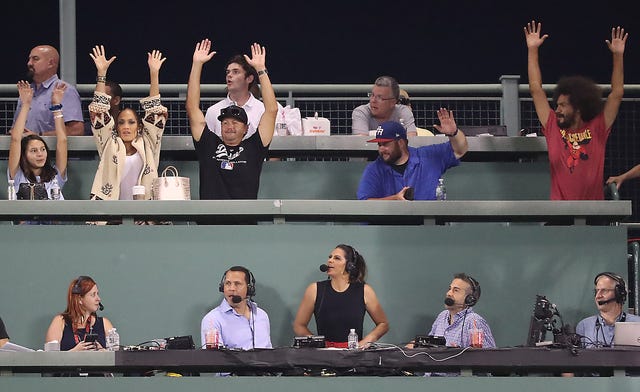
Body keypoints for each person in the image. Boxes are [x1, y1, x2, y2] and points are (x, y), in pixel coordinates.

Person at [525, 21, 628, 200]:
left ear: (578, 107)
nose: (557, 110)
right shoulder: (553, 126)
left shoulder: (598, 126)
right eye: (556, 105)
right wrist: (532, 49)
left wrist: (618, 55)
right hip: (560, 214)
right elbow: (535, 89)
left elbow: (617, 93)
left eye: (563, 105)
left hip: (593, 213)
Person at [187, 39, 277, 200]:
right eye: (225, 122)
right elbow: (192, 108)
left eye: (236, 122)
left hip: (244, 221)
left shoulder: (254, 148)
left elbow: (271, 110)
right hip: (210, 221)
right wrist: (197, 64)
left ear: (246, 128)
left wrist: (261, 69)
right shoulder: (208, 145)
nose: (230, 126)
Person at [88, 45, 167, 200]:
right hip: (111, 216)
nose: (126, 126)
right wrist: (101, 73)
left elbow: (155, 112)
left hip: (143, 217)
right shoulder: (109, 143)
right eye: (121, 122)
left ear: (139, 127)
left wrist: (154, 74)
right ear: (116, 126)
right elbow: (98, 112)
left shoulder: (148, 143)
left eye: (131, 122)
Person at [357, 110, 468, 200]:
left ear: (400, 142)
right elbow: (365, 203)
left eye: (385, 144)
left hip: (428, 225)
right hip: (389, 226)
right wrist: (395, 199)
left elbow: (460, 150)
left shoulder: (427, 156)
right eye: (379, 144)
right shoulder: (374, 169)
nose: (381, 149)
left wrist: (454, 134)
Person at [293, 244, 389, 348]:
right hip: (324, 355)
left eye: (337, 258)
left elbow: (383, 324)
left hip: (354, 354)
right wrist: (317, 344)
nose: (330, 260)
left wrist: (366, 341)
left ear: (349, 266)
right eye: (330, 257)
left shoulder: (365, 291)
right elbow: (299, 325)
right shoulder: (314, 289)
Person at [8, 80, 68, 200]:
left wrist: (56, 105)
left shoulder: (55, 176)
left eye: (42, 149)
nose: (40, 154)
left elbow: (62, 140)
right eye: (34, 151)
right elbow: (15, 139)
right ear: (24, 154)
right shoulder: (17, 175)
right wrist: (26, 104)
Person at [11, 45, 84, 136]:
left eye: (35, 59)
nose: (29, 63)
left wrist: (39, 136)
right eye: (29, 59)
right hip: (21, 148)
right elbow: (15, 128)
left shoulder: (64, 90)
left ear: (51, 63)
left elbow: (76, 130)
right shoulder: (26, 91)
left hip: (51, 149)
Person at [200, 266, 272, 350]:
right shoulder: (212, 320)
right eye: (228, 283)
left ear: (249, 289)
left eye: (237, 284)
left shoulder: (262, 315)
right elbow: (213, 359)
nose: (232, 288)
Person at [424, 273, 495, 348]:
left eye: (456, 290)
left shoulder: (474, 321)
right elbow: (429, 346)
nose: (449, 293)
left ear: (469, 299)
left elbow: (489, 356)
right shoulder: (442, 316)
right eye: (449, 289)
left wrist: (459, 353)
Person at [45, 276, 114, 351]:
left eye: (97, 294)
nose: (98, 299)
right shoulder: (60, 321)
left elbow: (116, 357)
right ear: (79, 299)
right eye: (93, 295)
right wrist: (74, 352)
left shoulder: (105, 324)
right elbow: (50, 358)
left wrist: (103, 352)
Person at [204, 54, 262, 140]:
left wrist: (261, 69)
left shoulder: (262, 110)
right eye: (228, 72)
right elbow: (207, 144)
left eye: (235, 72)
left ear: (249, 79)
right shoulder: (213, 111)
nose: (229, 75)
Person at [576, 272, 640, 348]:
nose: (598, 296)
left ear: (619, 294)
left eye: (604, 290)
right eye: (596, 291)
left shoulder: (638, 323)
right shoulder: (584, 326)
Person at [352, 76, 417, 136]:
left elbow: (411, 139)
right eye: (372, 95)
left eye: (380, 97)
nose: (373, 100)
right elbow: (361, 142)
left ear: (393, 102)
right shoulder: (361, 112)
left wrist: (370, 134)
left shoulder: (403, 111)